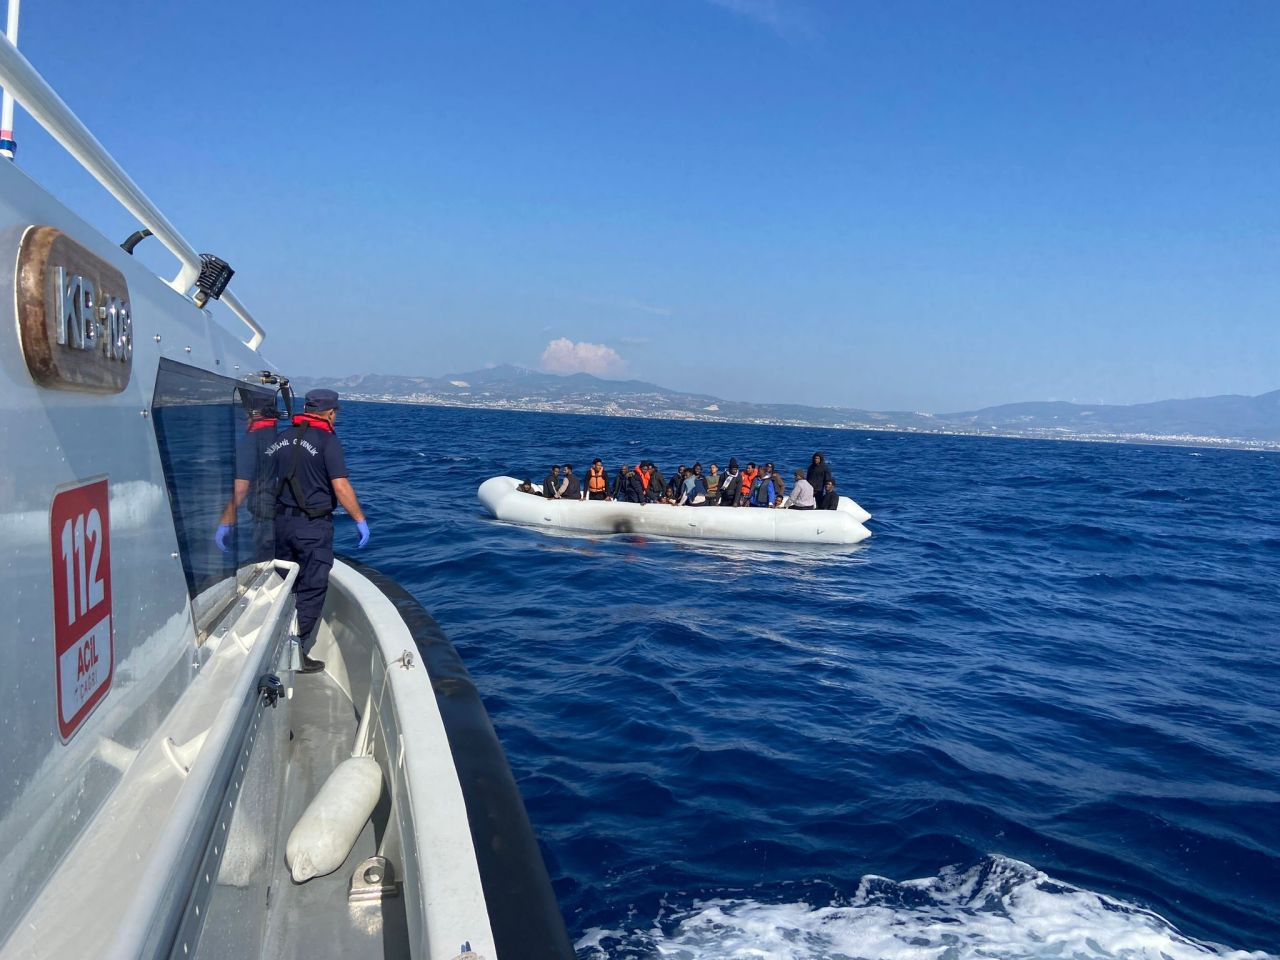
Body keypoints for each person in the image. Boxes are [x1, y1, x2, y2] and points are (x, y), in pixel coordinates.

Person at [267, 389, 368, 674]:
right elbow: (341, 486)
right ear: (331, 412)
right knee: (311, 587)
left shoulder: (281, 438)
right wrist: (359, 519)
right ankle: (294, 651)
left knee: (283, 585)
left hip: (280, 524)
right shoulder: (327, 441)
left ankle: (270, 645)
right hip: (312, 527)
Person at [215, 402, 281, 559]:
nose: (245, 419)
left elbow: (241, 489)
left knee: (266, 562)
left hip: (264, 514)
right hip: (284, 512)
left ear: (254, 415)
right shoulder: (282, 438)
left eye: (246, 415)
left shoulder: (250, 441)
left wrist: (226, 520)